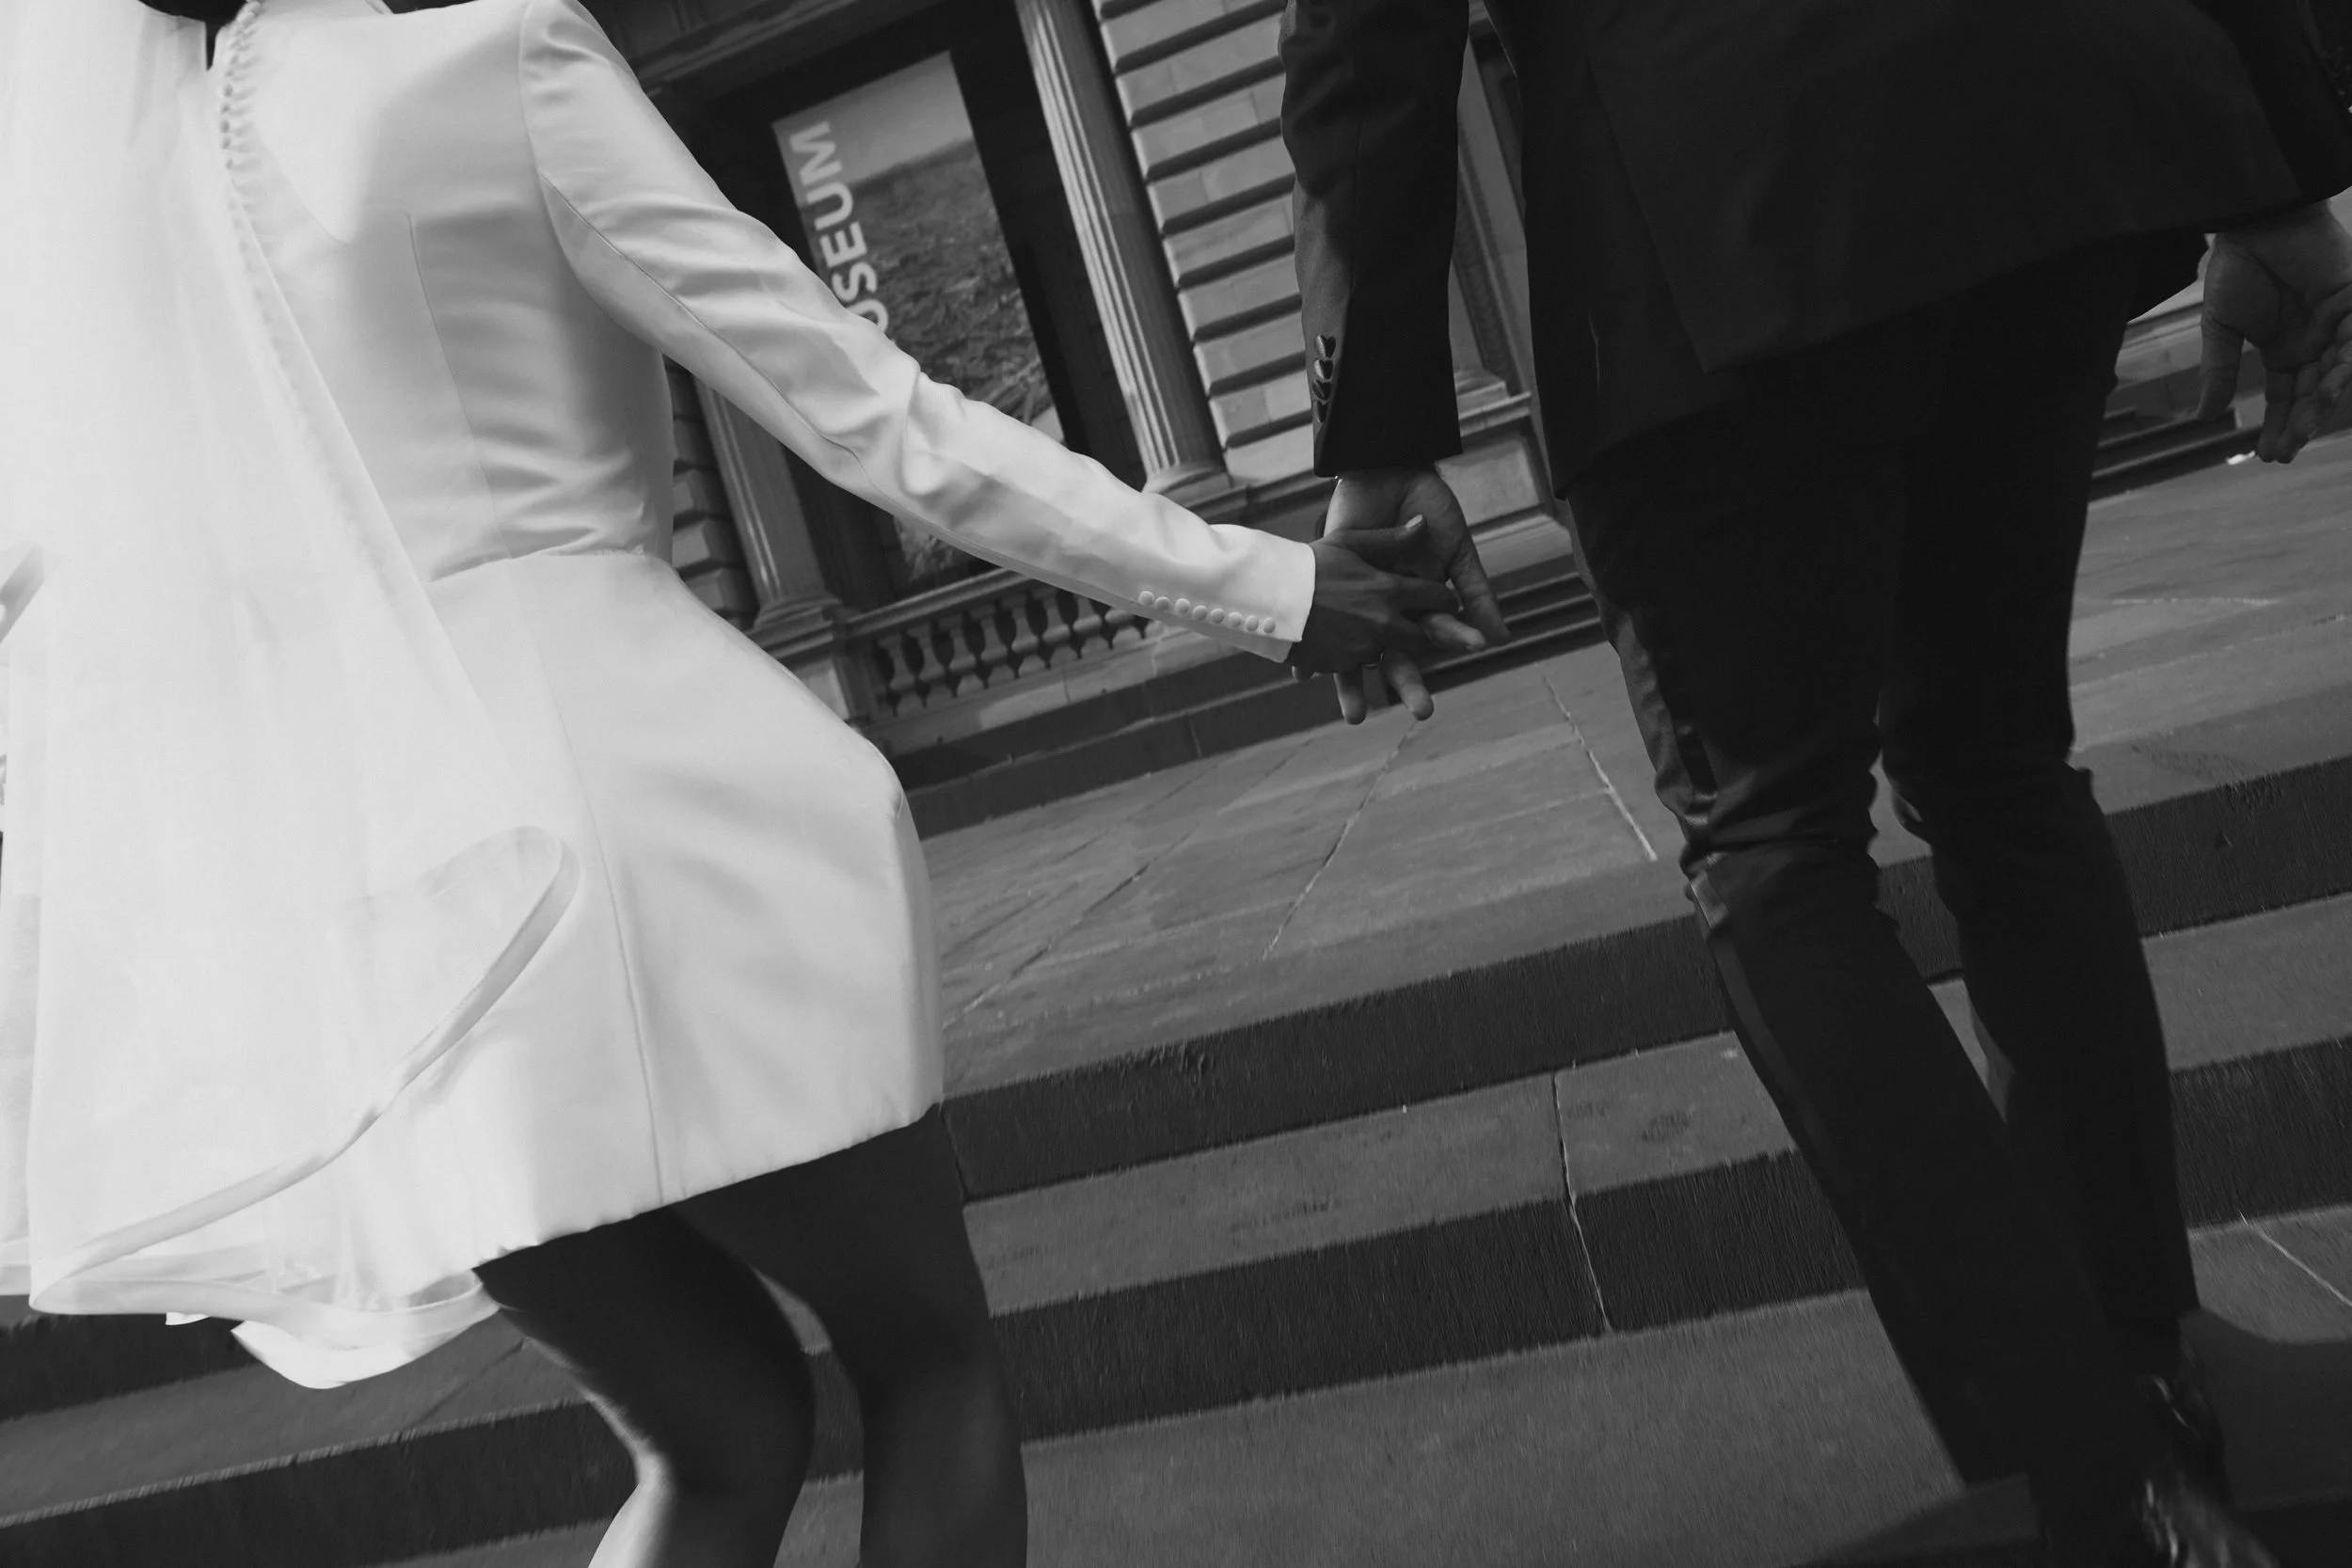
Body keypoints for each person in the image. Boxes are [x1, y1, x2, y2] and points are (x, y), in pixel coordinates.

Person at [0, 3, 1494, 1567]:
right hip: (653, 819)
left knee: (712, 1445)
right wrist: (1272, 586)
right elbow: (873, 414)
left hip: (397, 934)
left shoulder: (129, 214)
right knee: (929, 1363)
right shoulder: (496, 60)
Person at [1279, 0, 2352, 1563]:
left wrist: (1375, 436)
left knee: (1774, 855)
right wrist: (2275, 183)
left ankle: (2109, 1486)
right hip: (2041, 140)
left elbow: (1362, 35)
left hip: (1715, 209)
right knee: (1998, 763)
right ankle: (2144, 1377)